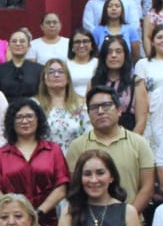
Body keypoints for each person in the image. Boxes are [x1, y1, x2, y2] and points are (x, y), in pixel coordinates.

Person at [0, 100, 70, 226]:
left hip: (48, 225)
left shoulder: (53, 150)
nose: (24, 121)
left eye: (29, 116)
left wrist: (36, 216)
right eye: (19, 117)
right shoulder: (1, 154)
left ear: (38, 119)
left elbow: (62, 187)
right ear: (11, 122)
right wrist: (17, 216)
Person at [67, 86, 156, 218]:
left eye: (106, 105)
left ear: (119, 110)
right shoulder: (77, 146)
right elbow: (74, 189)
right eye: (94, 107)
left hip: (131, 223)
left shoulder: (139, 143)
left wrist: (126, 217)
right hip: (89, 223)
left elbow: (147, 188)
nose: (101, 111)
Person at [90, 35, 148, 134]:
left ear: (125, 55)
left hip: (129, 137)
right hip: (99, 138)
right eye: (109, 52)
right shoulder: (94, 82)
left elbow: (141, 121)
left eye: (118, 51)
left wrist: (130, 145)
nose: (113, 55)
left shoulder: (137, 82)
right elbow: (89, 116)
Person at [35, 58, 91, 151]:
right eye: (51, 72)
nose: (56, 75)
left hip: (75, 157)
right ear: (44, 79)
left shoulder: (81, 105)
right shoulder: (35, 105)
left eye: (61, 71)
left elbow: (88, 134)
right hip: (45, 159)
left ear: (68, 78)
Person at [0, 28, 44, 107]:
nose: (18, 44)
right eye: (14, 41)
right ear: (8, 46)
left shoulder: (39, 70)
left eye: (22, 41)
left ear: (29, 46)